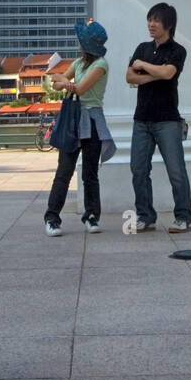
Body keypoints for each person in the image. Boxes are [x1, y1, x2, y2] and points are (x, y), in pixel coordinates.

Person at [44, 20, 117, 237]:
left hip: (92, 120)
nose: (78, 45)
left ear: (86, 44)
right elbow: (56, 84)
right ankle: (52, 218)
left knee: (90, 173)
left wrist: (61, 80)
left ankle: (92, 215)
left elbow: (80, 88)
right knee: (63, 172)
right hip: (74, 120)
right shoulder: (78, 64)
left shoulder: (101, 65)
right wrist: (61, 80)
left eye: (81, 42)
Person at [126, 3, 191, 233]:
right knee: (138, 169)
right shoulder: (142, 47)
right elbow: (129, 77)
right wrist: (155, 74)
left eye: (156, 20)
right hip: (141, 120)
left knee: (176, 171)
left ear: (169, 24)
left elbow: (168, 73)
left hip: (168, 121)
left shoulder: (177, 50)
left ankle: (183, 217)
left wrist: (144, 67)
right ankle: (146, 216)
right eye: (149, 19)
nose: (151, 24)